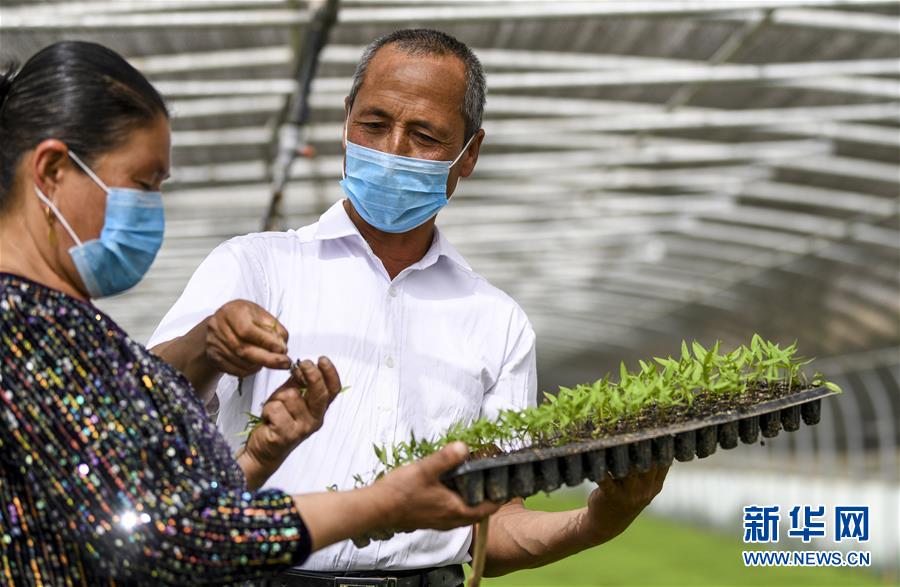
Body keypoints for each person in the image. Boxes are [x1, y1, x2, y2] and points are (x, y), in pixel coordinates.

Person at [149, 28, 667, 586]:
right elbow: (146, 418)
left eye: (425, 135)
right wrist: (208, 340)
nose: (392, 150)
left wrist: (600, 520)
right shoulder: (253, 268)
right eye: (373, 124)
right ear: (345, 120)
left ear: (469, 156)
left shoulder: (497, 322)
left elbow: (492, 527)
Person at [0, 40, 499, 586]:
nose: (149, 214)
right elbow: (168, 539)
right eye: (141, 186)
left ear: (468, 151)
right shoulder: (32, 332)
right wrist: (378, 505)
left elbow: (156, 516)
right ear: (50, 170)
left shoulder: (64, 326)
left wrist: (259, 458)